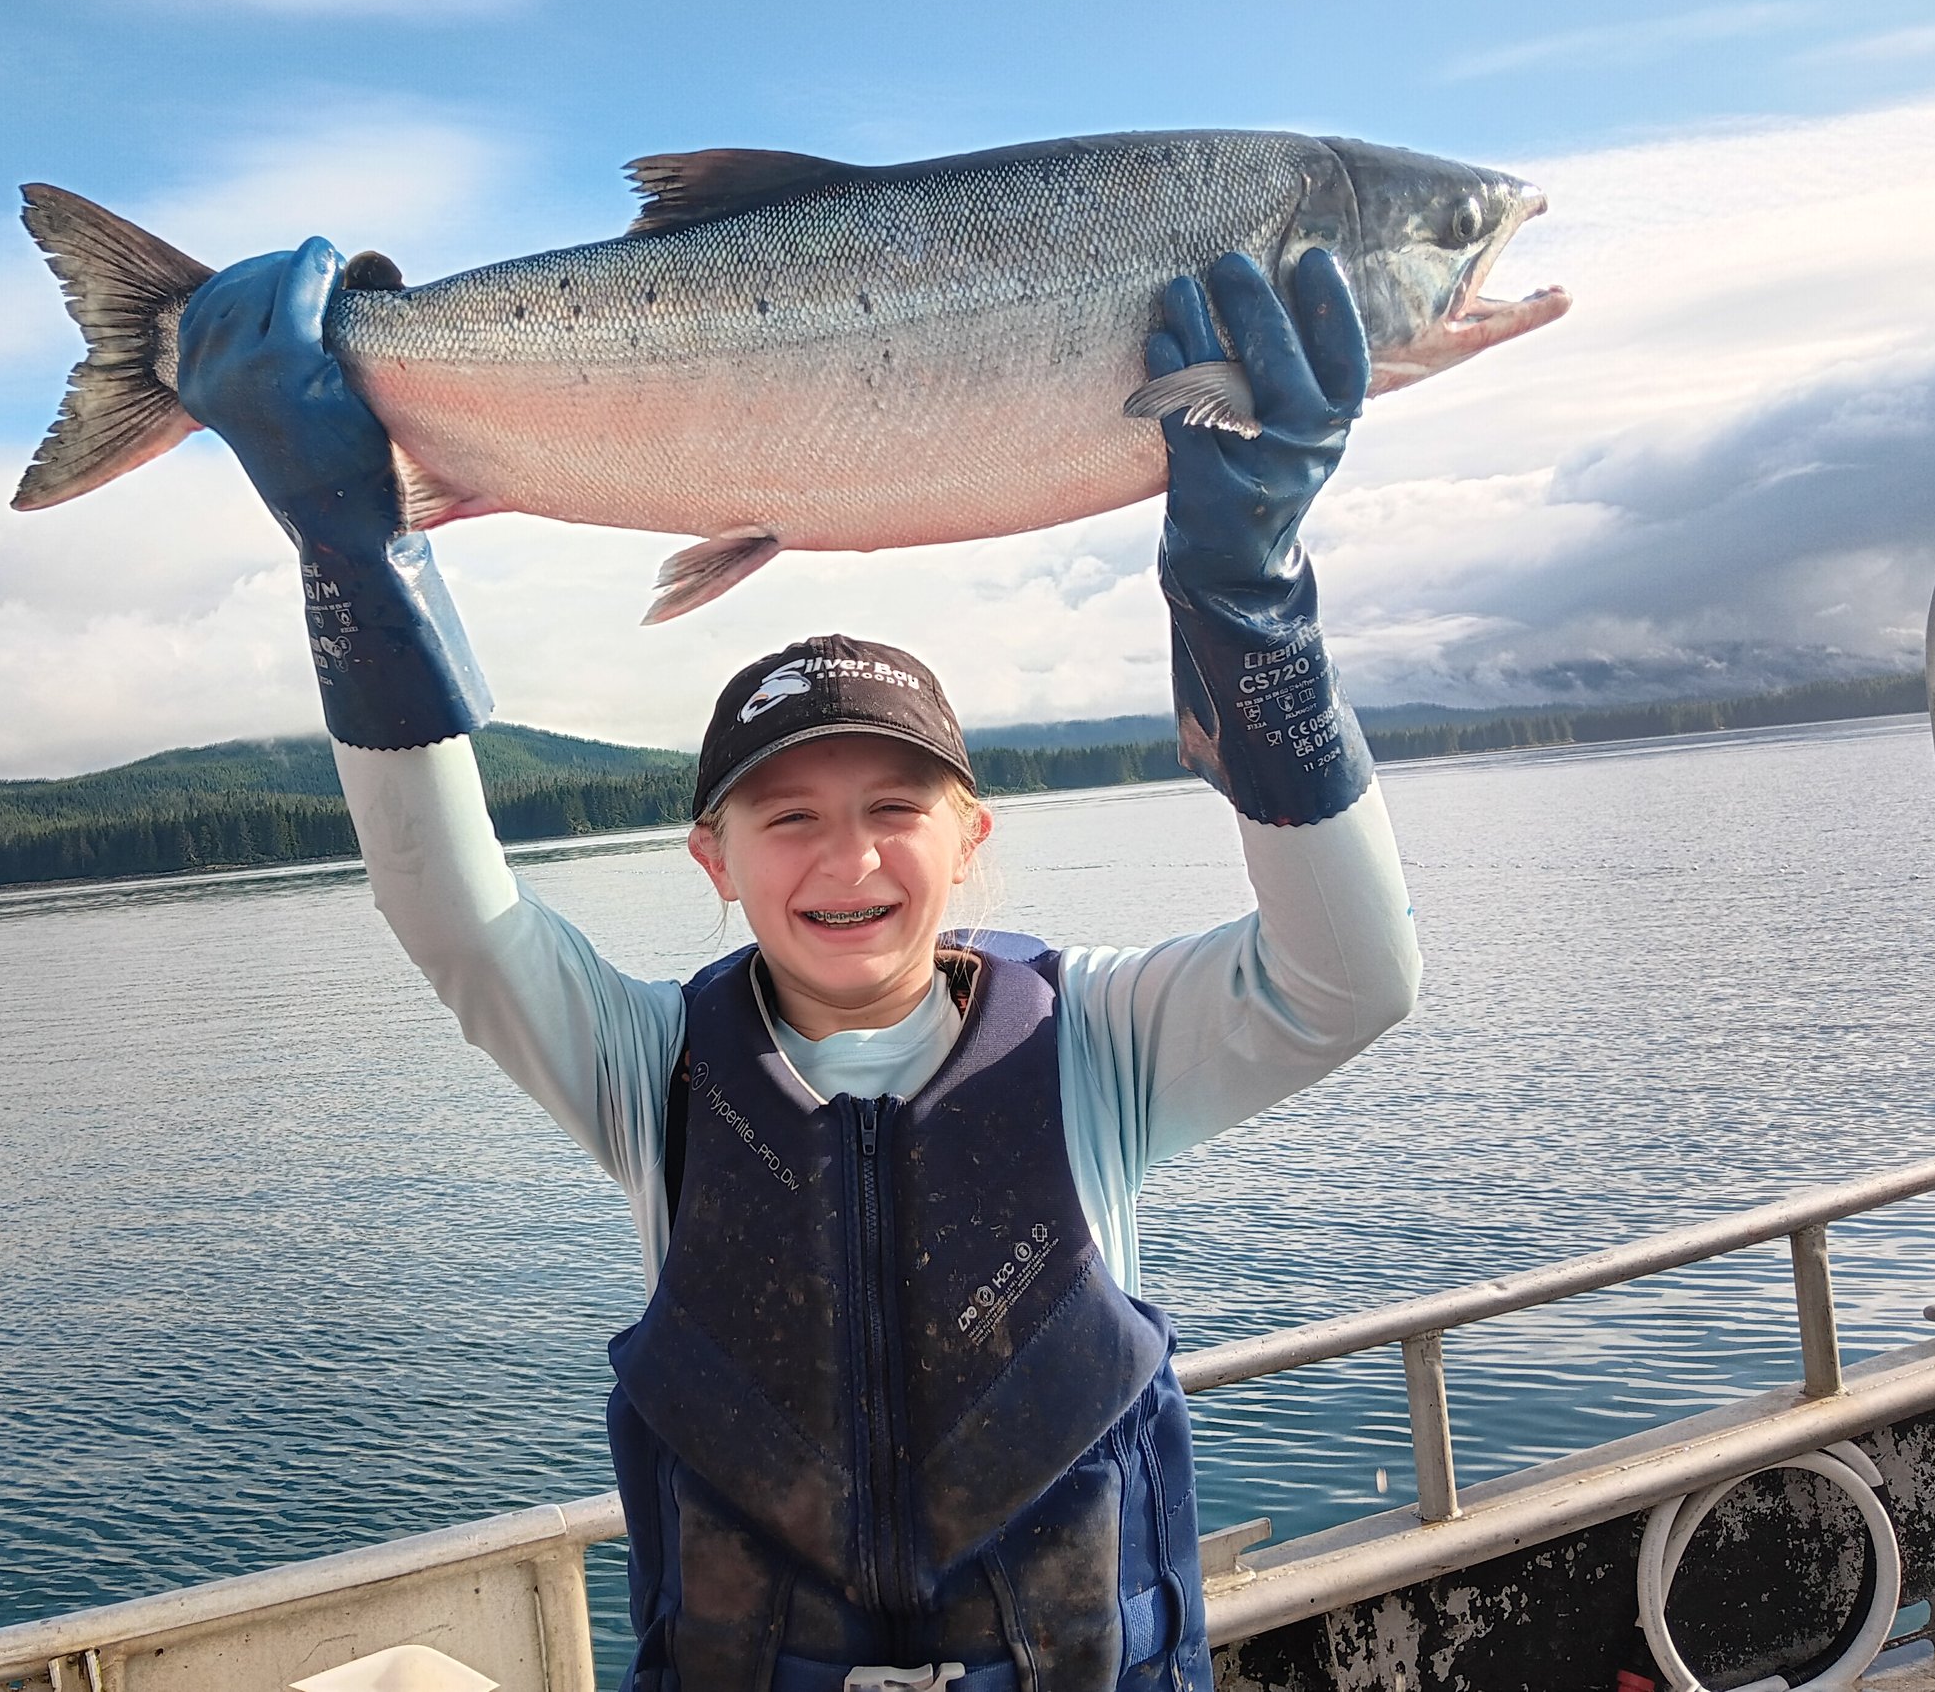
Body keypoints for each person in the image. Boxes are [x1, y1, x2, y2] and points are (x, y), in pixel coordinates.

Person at [176, 237, 1421, 1692]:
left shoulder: (1100, 1041)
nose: (848, 864)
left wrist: (1251, 608)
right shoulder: (651, 1072)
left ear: (969, 841)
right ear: (714, 859)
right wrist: (354, 552)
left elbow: (1352, 976)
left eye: (896, 812)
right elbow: (451, 908)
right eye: (789, 820)